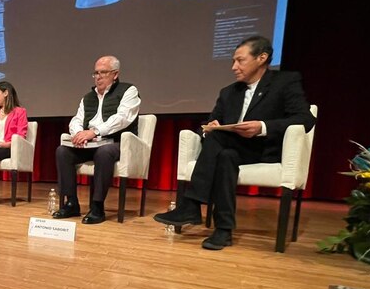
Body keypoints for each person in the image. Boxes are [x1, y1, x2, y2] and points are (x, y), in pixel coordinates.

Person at [154, 35, 316, 250]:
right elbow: (208, 123)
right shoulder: (229, 92)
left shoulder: (285, 82)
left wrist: (262, 127)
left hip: (264, 149)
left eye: (240, 60)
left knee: (222, 144)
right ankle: (223, 230)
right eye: (233, 61)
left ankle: (191, 205)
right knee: (225, 155)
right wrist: (210, 127)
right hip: (232, 149)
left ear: (262, 58)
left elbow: (305, 119)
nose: (233, 67)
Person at [52, 55, 141, 224]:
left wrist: (95, 131)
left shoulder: (129, 91)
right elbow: (77, 119)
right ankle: (71, 203)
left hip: (116, 142)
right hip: (91, 143)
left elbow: (123, 118)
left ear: (115, 74)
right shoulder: (88, 97)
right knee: (62, 151)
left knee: (104, 151)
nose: (98, 77)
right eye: (95, 73)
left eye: (103, 72)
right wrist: (79, 134)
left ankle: (97, 206)